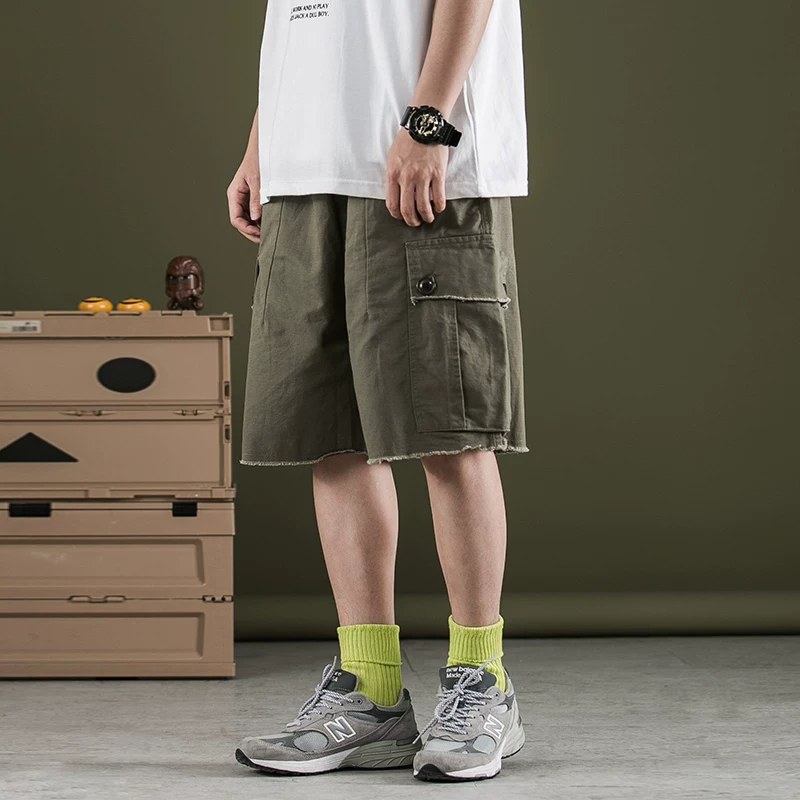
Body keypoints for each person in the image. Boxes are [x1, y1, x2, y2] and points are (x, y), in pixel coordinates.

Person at [227, 0, 528, 782]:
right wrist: (264, 142)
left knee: (448, 428)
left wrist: (429, 123)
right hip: (304, 170)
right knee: (330, 434)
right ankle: (371, 694)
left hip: (420, 157)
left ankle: (483, 681)